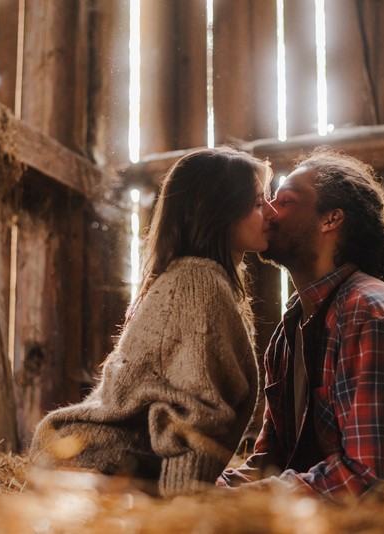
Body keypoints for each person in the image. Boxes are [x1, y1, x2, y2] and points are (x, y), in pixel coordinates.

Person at [30, 146, 277, 497]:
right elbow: (192, 416)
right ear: (219, 213)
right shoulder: (199, 284)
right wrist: (182, 511)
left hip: (95, 463)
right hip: (103, 470)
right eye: (257, 204)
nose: (271, 212)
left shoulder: (194, 279)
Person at [218, 148, 384, 500]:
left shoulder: (371, 317)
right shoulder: (291, 330)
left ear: (330, 219)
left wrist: (233, 502)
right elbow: (274, 462)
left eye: (285, 200)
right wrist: (207, 489)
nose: (267, 211)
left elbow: (371, 481)